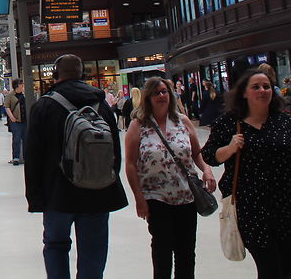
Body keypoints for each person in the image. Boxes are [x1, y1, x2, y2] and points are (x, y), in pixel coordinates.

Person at [24, 54, 128, 279]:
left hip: (57, 194)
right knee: (94, 250)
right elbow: (115, 151)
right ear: (82, 73)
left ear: (55, 74)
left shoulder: (44, 106)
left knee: (56, 245)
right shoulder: (102, 105)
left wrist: (35, 197)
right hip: (98, 192)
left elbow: (33, 155)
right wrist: (108, 179)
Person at [202, 68, 291, 277]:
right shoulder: (229, 123)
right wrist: (230, 148)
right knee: (269, 268)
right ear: (244, 93)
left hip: (285, 206)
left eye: (267, 86)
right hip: (251, 208)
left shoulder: (284, 122)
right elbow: (208, 155)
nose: (262, 90)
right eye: (256, 87)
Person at [124, 77, 216, 279]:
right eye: (157, 93)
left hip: (187, 196)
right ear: (148, 97)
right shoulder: (138, 125)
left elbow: (196, 153)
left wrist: (206, 170)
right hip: (157, 198)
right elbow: (130, 164)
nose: (162, 96)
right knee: (162, 251)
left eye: (165, 91)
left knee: (186, 251)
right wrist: (139, 199)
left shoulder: (182, 120)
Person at [5, 79, 26, 165]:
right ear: (17, 85)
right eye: (21, 84)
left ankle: (26, 156)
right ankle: (16, 157)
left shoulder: (25, 95)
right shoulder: (10, 95)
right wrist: (12, 117)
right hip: (16, 121)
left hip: (25, 120)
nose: (22, 86)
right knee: (16, 138)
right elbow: (7, 106)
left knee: (26, 139)